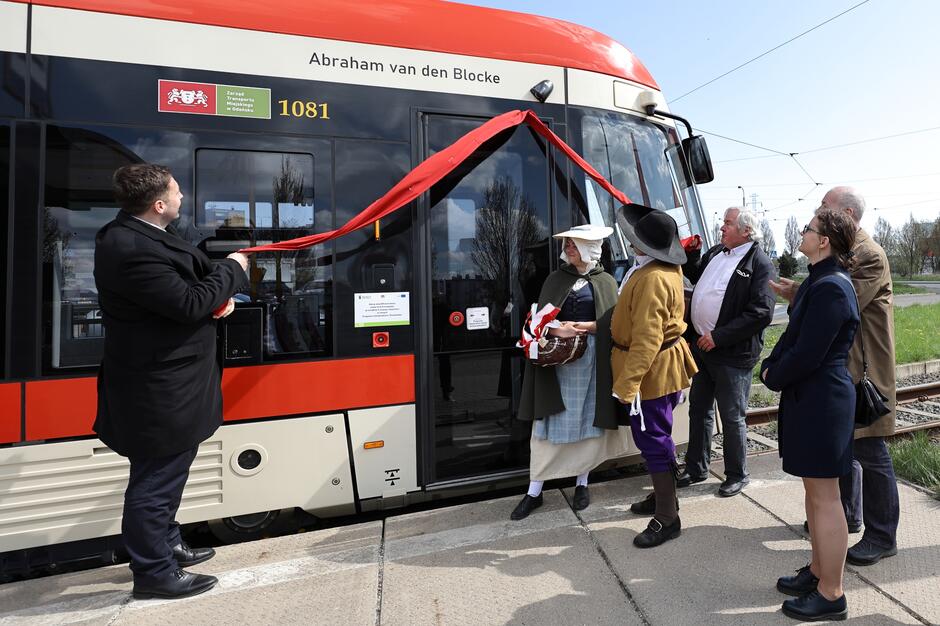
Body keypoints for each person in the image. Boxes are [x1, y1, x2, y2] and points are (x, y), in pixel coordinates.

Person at [94, 164, 249, 600]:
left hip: (171, 383)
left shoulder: (138, 236)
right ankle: (154, 573)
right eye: (177, 193)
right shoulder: (129, 246)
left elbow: (177, 299)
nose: (183, 199)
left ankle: (167, 544)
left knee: (168, 474)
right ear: (159, 204)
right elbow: (186, 302)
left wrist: (216, 304)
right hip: (159, 388)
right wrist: (232, 270)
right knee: (155, 482)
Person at [773, 186, 899, 565]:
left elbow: (838, 304)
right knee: (843, 450)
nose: (816, 211)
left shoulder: (869, 255)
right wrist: (799, 290)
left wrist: (800, 294)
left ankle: (882, 534)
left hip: (866, 370)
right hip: (845, 365)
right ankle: (845, 517)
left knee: (869, 450)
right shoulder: (846, 252)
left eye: (824, 207)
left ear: (846, 213)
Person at [761, 209, 859, 622]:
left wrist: (774, 374)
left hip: (823, 401)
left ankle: (832, 593)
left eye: (809, 229)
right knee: (814, 494)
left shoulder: (832, 288)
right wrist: (771, 364)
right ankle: (819, 571)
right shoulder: (818, 282)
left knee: (825, 497)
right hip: (812, 399)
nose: (802, 232)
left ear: (825, 241)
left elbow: (808, 353)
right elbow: (792, 336)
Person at [515, 224, 627, 520]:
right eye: (567, 244)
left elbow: (614, 322)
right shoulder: (555, 278)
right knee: (548, 423)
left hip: (592, 361)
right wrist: (557, 329)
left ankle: (582, 483)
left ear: (590, 248)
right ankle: (534, 490)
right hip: (559, 363)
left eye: (574, 245)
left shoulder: (604, 281)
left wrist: (591, 327)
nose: (567, 249)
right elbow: (538, 319)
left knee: (589, 420)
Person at [611, 205, 698, 548]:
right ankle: (665, 498)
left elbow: (648, 340)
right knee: (655, 436)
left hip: (650, 371)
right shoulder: (662, 268)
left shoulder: (652, 277)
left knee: (653, 438)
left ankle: (667, 517)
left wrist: (627, 384)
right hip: (658, 366)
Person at [679, 207, 775, 497]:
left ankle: (737, 474)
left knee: (732, 416)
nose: (722, 228)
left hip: (732, 353)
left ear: (746, 231)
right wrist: (693, 255)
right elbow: (694, 275)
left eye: (728, 224)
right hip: (703, 348)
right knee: (699, 409)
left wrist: (719, 337)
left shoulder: (760, 264)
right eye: (723, 223)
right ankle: (696, 468)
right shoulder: (716, 252)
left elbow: (761, 313)